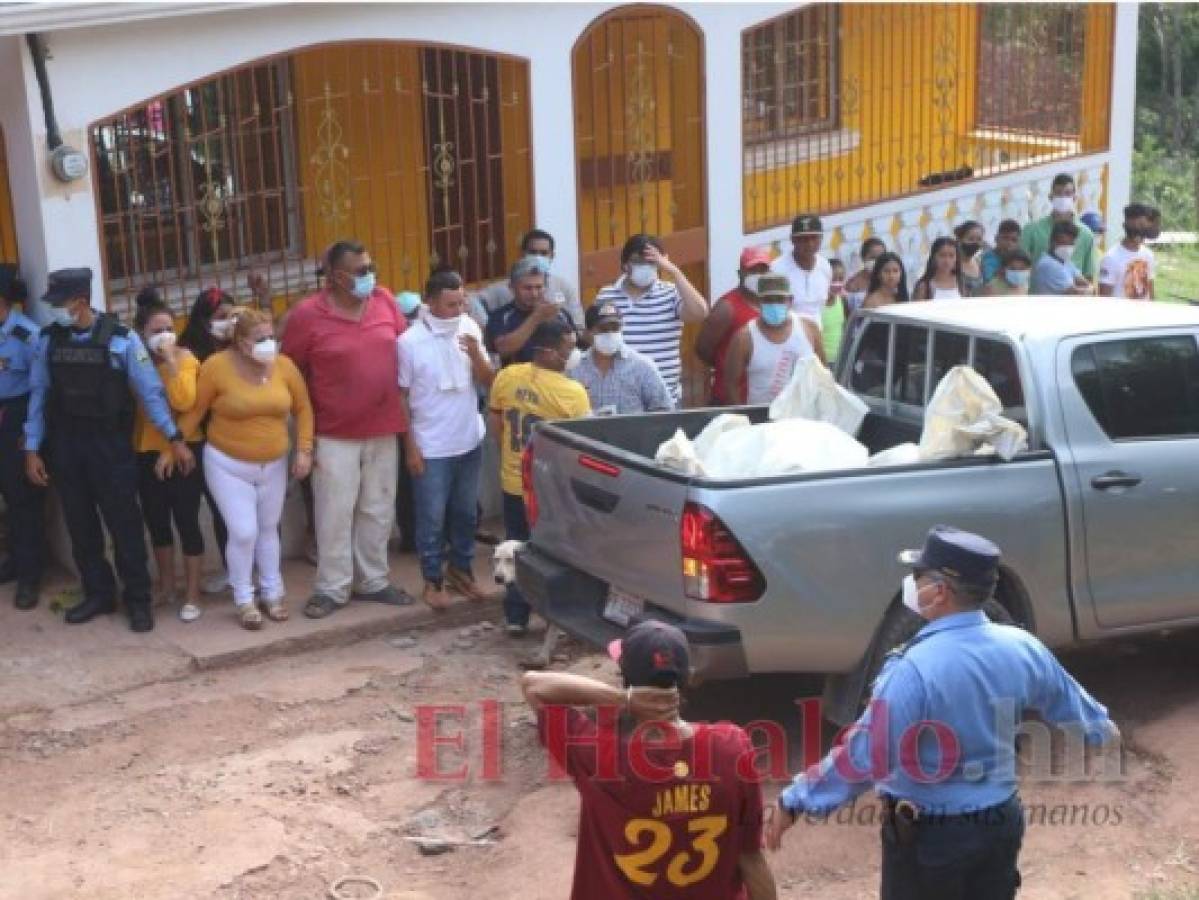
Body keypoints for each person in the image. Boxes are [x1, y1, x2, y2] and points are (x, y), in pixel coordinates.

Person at [766, 525, 1119, 900]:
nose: (911, 584)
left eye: (918, 576)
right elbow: (1086, 717)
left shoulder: (913, 670)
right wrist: (1102, 732)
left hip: (932, 841)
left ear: (939, 592)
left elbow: (868, 754)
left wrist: (797, 800)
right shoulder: (1023, 647)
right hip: (1000, 824)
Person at [522, 619, 777, 900]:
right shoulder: (732, 746)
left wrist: (624, 699)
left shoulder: (599, 756)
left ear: (625, 677)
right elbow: (751, 859)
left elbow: (534, 685)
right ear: (686, 679)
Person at [25, 268, 195, 633]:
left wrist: (175, 438)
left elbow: (150, 393)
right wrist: (32, 448)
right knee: (81, 525)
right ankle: (99, 593)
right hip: (67, 445)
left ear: (80, 302)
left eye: (60, 303)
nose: (55, 310)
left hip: (110, 446)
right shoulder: (47, 340)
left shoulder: (122, 340)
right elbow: (39, 395)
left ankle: (138, 599)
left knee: (125, 526)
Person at [282, 240, 412, 619]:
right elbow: (291, 371)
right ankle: (332, 588)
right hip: (334, 432)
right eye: (360, 271)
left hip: (384, 425)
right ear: (336, 277)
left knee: (378, 507)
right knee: (334, 511)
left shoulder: (386, 301)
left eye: (370, 267)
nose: (369, 276)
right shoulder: (308, 315)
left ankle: (374, 580)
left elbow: (406, 351)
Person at [178, 309, 313, 629]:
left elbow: (303, 406)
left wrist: (304, 449)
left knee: (268, 529)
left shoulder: (284, 366)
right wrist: (175, 444)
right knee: (243, 531)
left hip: (274, 462)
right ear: (241, 343)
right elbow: (196, 411)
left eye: (271, 337)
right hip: (228, 463)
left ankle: (273, 592)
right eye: (260, 339)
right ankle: (243, 598)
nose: (269, 344)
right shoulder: (216, 367)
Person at [398, 270, 496, 611]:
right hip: (431, 444)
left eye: (461, 302)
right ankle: (432, 578)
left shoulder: (469, 327)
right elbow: (401, 397)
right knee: (431, 517)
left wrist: (476, 354)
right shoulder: (409, 343)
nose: (458, 310)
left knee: (466, 513)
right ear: (431, 302)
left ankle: (461, 571)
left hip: (469, 438)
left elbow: (487, 381)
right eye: (450, 304)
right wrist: (410, 447)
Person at [489, 320, 591, 635]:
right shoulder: (573, 393)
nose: (572, 354)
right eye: (567, 349)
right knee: (555, 553)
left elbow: (497, 427)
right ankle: (555, 617)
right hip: (551, 489)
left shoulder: (506, 377)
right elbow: (582, 446)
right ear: (547, 352)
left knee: (514, 549)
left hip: (514, 483)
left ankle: (516, 615)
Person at [132, 288, 205, 622]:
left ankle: (191, 593)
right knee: (157, 523)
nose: (163, 336)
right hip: (146, 451)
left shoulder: (188, 360)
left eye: (168, 328)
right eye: (155, 331)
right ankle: (167, 586)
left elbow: (185, 402)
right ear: (141, 335)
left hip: (185, 450)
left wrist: (173, 361)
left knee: (187, 521)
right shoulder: (137, 362)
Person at [594, 234, 709, 407]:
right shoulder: (607, 295)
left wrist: (674, 271)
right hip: (622, 398)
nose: (644, 267)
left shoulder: (671, 293)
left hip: (665, 398)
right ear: (625, 265)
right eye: (637, 261)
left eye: (650, 261)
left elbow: (700, 312)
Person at [178, 285, 237, 593]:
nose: (228, 322)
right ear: (203, 320)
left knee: (240, 513)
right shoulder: (190, 351)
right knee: (216, 508)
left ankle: (247, 572)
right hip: (202, 441)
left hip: (239, 439)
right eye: (221, 316)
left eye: (231, 316)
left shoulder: (241, 346)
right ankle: (227, 572)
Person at [0, 265, 45, 610]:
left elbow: (39, 393)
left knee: (22, 501)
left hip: (16, 419)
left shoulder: (28, 336)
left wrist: (30, 437)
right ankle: (14, 561)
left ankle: (30, 576)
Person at [724, 274, 819, 406]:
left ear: (790, 301)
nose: (774, 305)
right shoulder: (744, 338)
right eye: (768, 300)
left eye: (780, 299)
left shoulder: (809, 329)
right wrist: (745, 418)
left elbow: (823, 373)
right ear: (758, 302)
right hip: (763, 420)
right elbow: (730, 384)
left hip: (804, 418)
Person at [694, 247, 770, 406]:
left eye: (763, 270)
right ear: (740, 273)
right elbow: (703, 348)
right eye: (752, 270)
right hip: (728, 400)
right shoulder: (727, 308)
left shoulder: (771, 303)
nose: (758, 275)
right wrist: (729, 364)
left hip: (761, 399)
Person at [572, 301, 673, 415]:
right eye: (603, 329)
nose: (610, 334)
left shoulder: (642, 366)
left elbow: (664, 409)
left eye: (615, 328)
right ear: (587, 333)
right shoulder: (575, 368)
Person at [475, 229, 584, 327]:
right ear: (523, 254)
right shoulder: (504, 287)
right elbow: (471, 299)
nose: (538, 257)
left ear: (552, 256)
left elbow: (578, 325)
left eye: (543, 253)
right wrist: (486, 326)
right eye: (532, 252)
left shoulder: (563, 287)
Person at [485, 256, 577, 367]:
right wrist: (536, 318)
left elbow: (573, 349)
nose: (534, 294)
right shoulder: (500, 316)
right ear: (512, 288)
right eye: (527, 288)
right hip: (517, 379)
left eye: (539, 287)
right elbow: (503, 349)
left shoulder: (560, 314)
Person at [1019, 172, 1097, 279]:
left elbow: (1088, 274)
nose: (1063, 197)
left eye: (1068, 193)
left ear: (1074, 198)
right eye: (1058, 193)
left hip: (1073, 293)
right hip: (1040, 294)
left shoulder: (1086, 234)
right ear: (1050, 197)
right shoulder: (1032, 230)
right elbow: (1020, 267)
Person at [769, 214, 832, 326]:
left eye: (814, 238)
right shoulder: (777, 270)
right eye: (803, 239)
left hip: (816, 335)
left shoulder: (825, 266)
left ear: (821, 239)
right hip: (787, 336)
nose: (809, 244)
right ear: (792, 240)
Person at [1098, 203, 1156, 300]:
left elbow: (1150, 292)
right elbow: (1104, 298)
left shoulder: (1148, 255)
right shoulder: (1111, 258)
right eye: (1136, 228)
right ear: (1126, 227)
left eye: (1143, 227)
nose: (1140, 233)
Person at [1032, 221, 1093, 296]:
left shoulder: (1065, 262)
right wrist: (1090, 289)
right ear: (1052, 242)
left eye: (1071, 244)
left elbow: (1083, 282)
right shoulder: (1049, 265)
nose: (1067, 248)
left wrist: (1089, 289)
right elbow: (1076, 293)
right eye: (1064, 243)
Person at [844, 236, 887, 313]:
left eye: (880, 258)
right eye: (873, 258)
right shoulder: (853, 283)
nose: (877, 262)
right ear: (863, 258)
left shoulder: (888, 280)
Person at [980, 220, 1021, 284]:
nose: (1009, 243)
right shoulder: (989, 258)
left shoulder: (1018, 257)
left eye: (1014, 240)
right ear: (996, 238)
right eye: (1005, 238)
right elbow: (989, 281)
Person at [823, 258, 848, 360]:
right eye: (833, 279)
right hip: (821, 361)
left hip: (840, 360)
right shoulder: (817, 305)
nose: (837, 283)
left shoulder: (842, 300)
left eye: (840, 279)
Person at [954, 221, 986, 297]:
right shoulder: (951, 265)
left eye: (979, 239)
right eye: (971, 239)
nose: (975, 243)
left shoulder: (980, 262)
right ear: (960, 240)